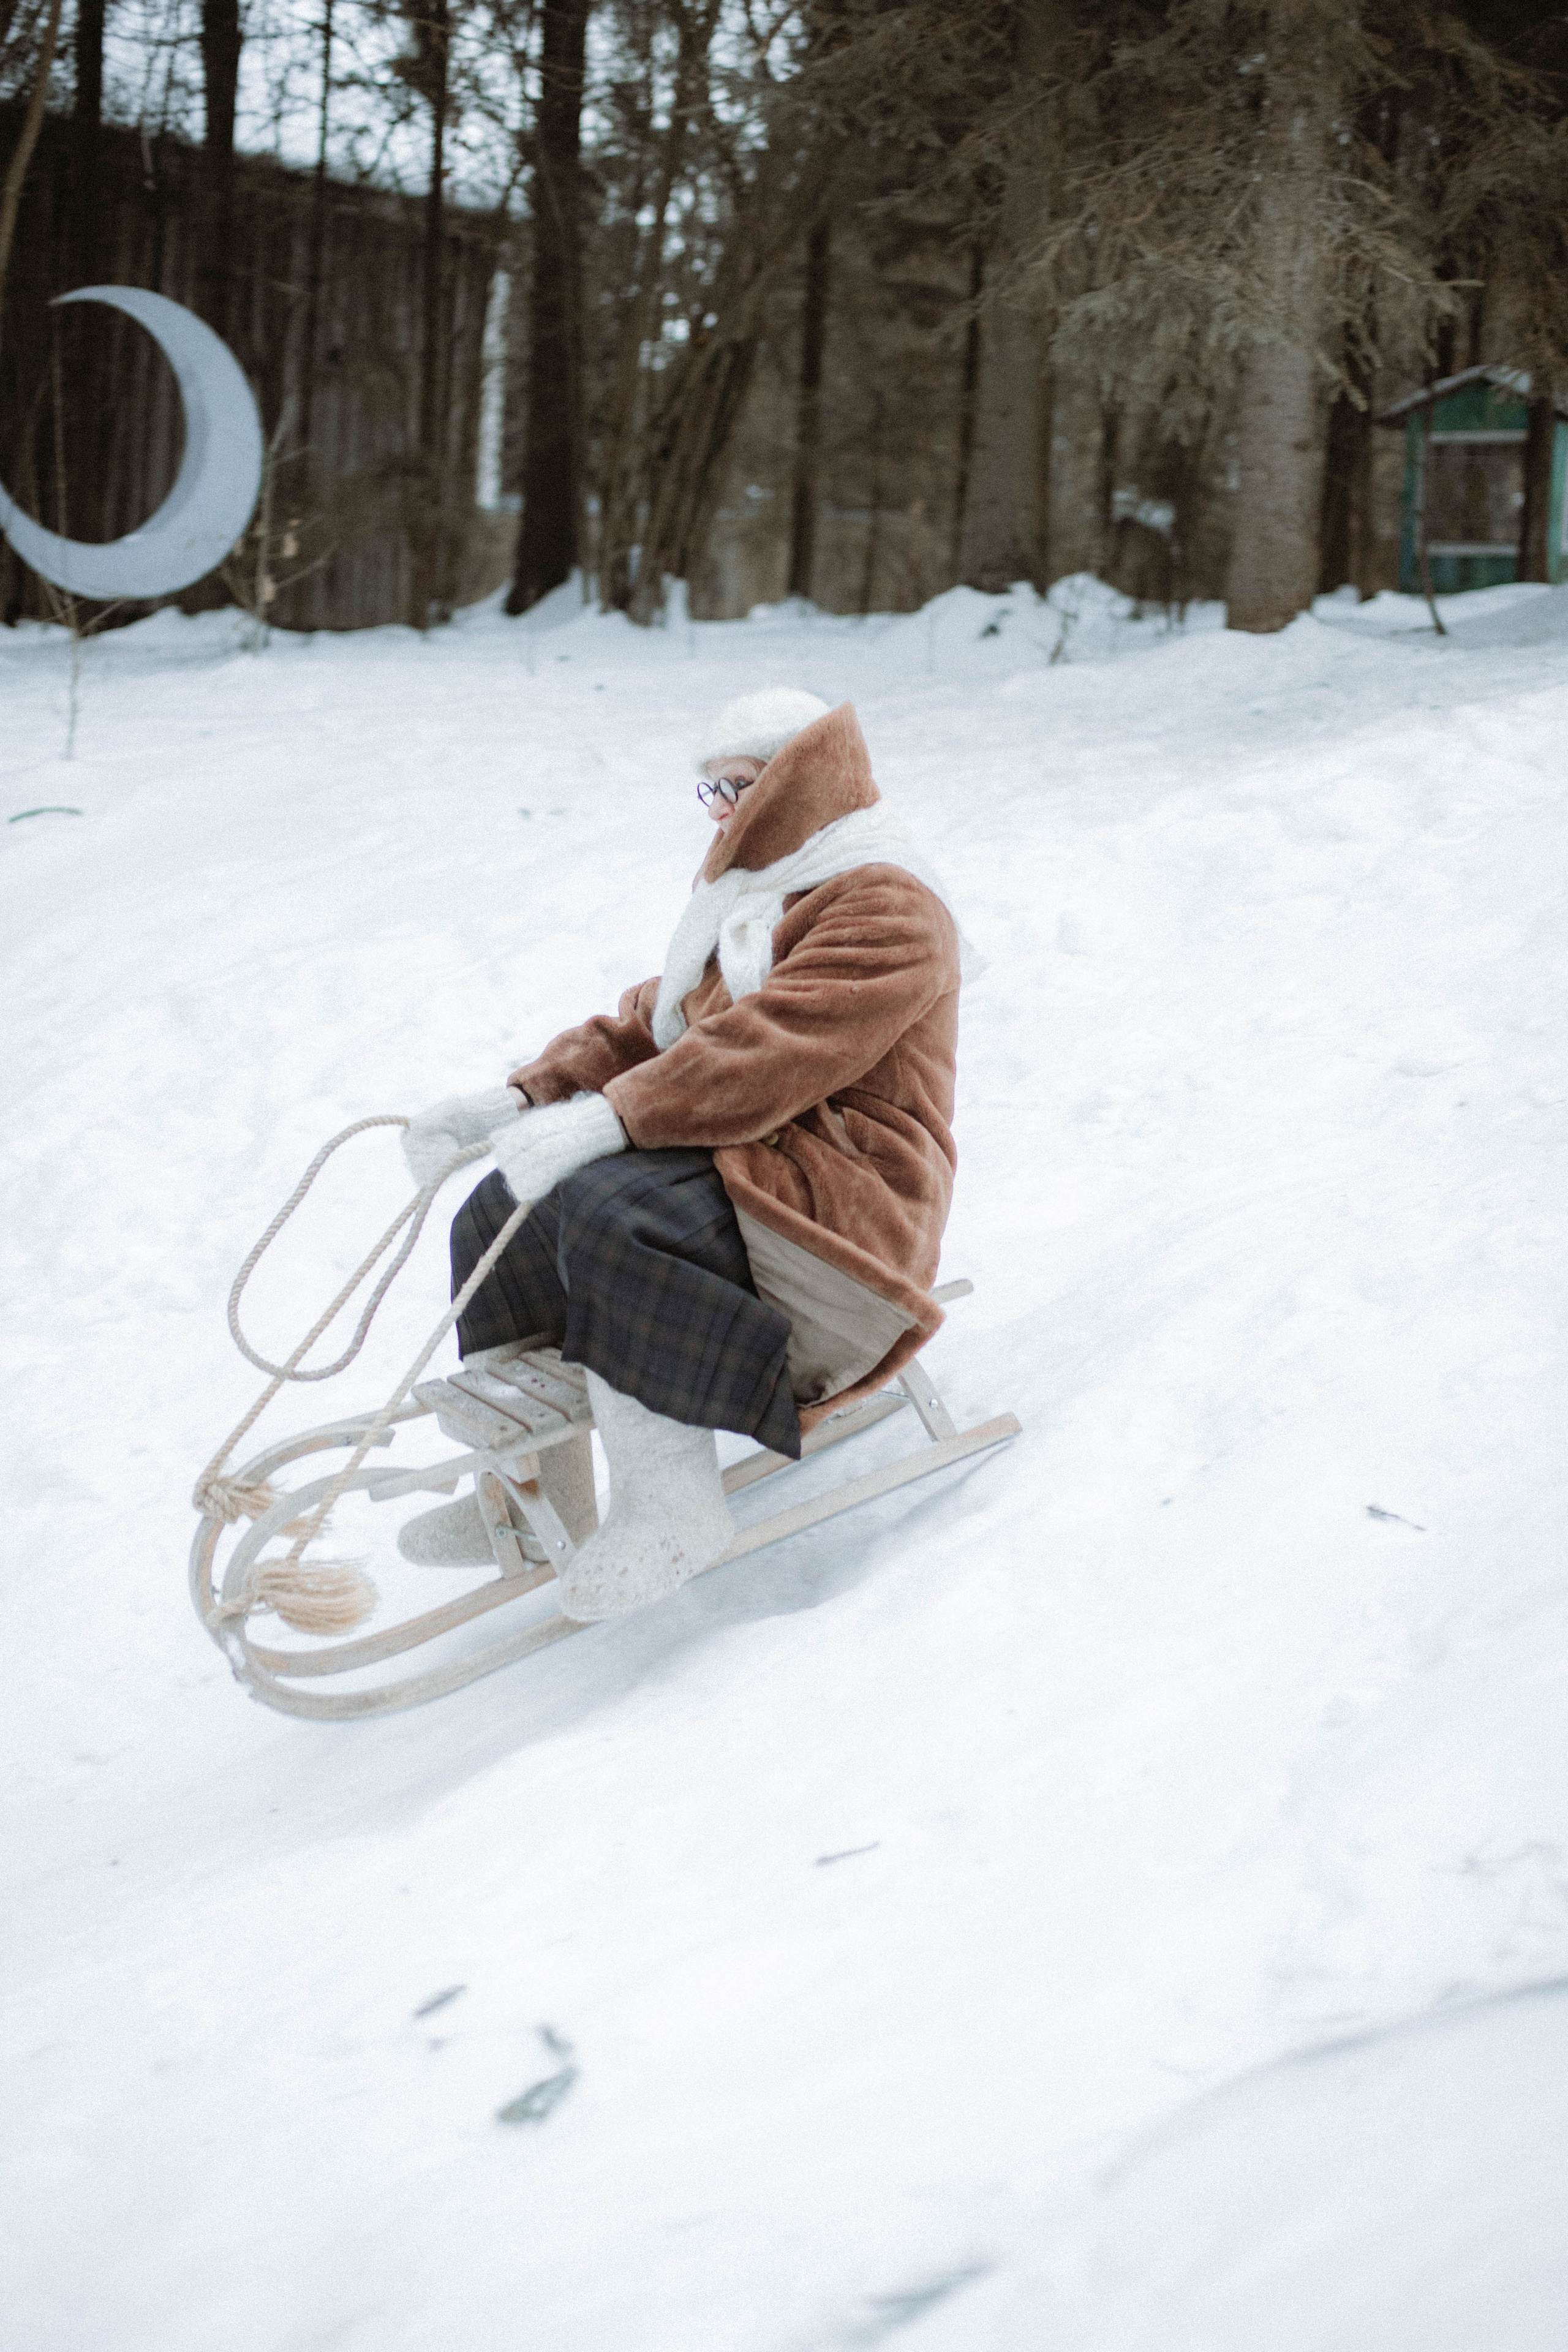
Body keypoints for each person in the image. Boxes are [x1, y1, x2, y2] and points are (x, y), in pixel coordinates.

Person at [396, 687, 970, 1622]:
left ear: (797, 781)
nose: (720, 812)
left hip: (845, 1207)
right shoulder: (749, 902)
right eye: (711, 791)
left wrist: (607, 1124)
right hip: (753, 1159)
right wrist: (518, 1100)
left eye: (736, 787)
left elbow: (771, 1050)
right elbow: (655, 1026)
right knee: (506, 1206)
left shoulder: (890, 904)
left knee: (615, 1214)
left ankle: (672, 1507)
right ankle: (526, 1495)